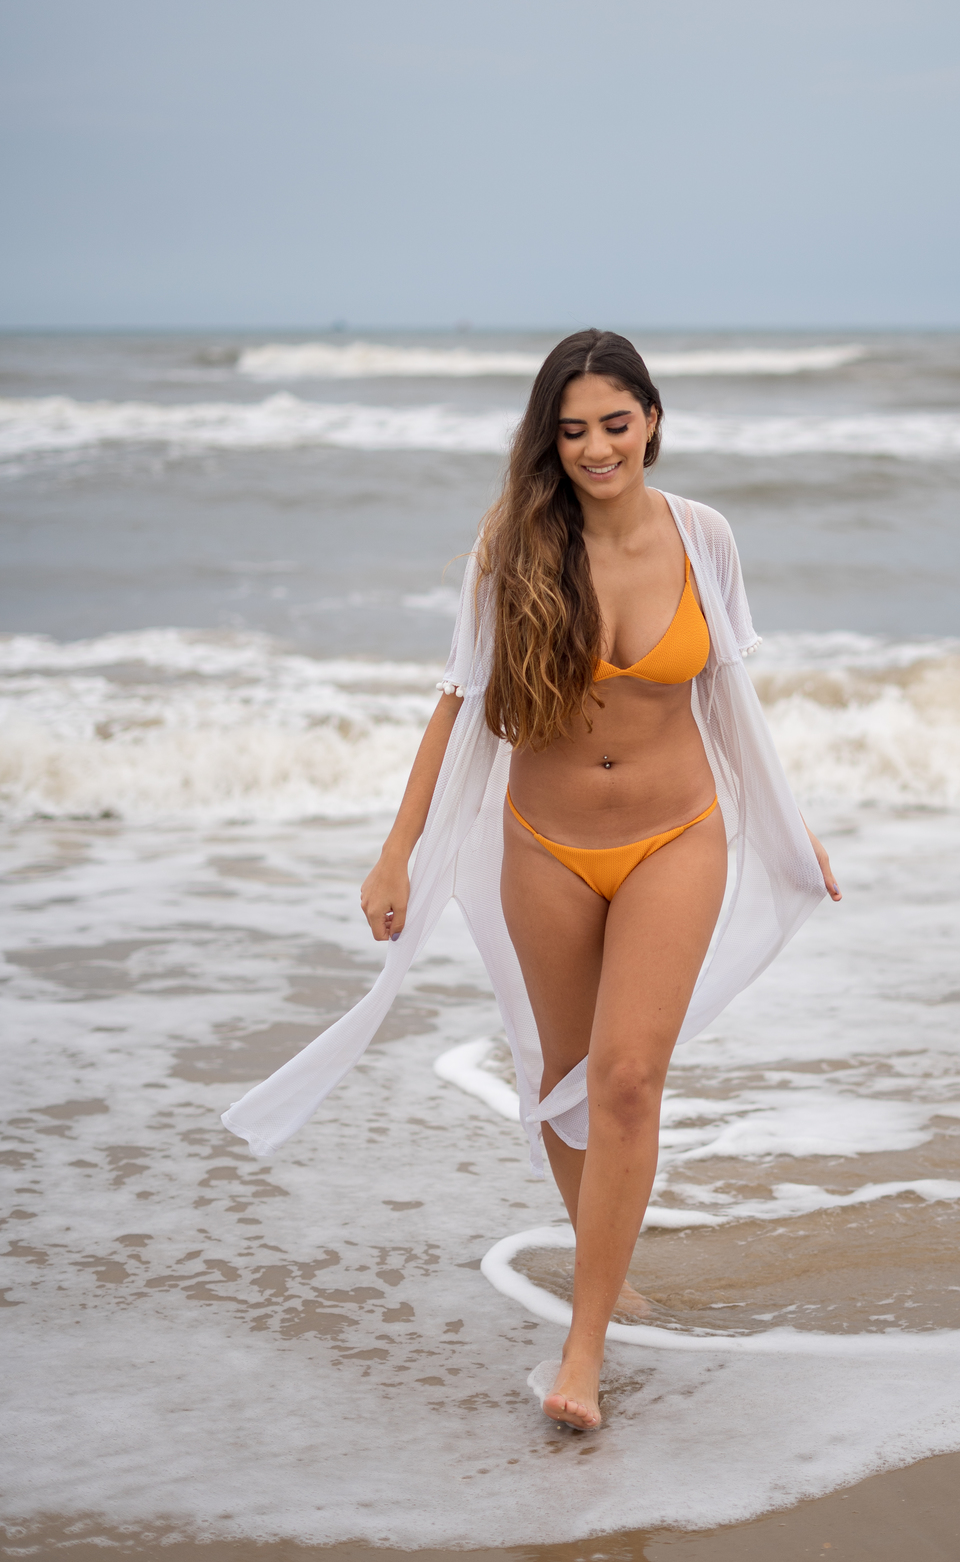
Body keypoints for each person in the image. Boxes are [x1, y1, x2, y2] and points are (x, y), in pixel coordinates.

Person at [222, 329, 840, 1434]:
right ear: (548, 441)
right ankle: (611, 1265)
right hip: (545, 846)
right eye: (572, 430)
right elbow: (457, 699)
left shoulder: (707, 538)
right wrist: (394, 851)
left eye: (615, 422)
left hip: (677, 835)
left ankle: (584, 1349)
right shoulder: (512, 544)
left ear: (652, 416)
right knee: (560, 1082)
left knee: (628, 1081)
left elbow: (732, 695)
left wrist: (790, 828)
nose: (597, 447)